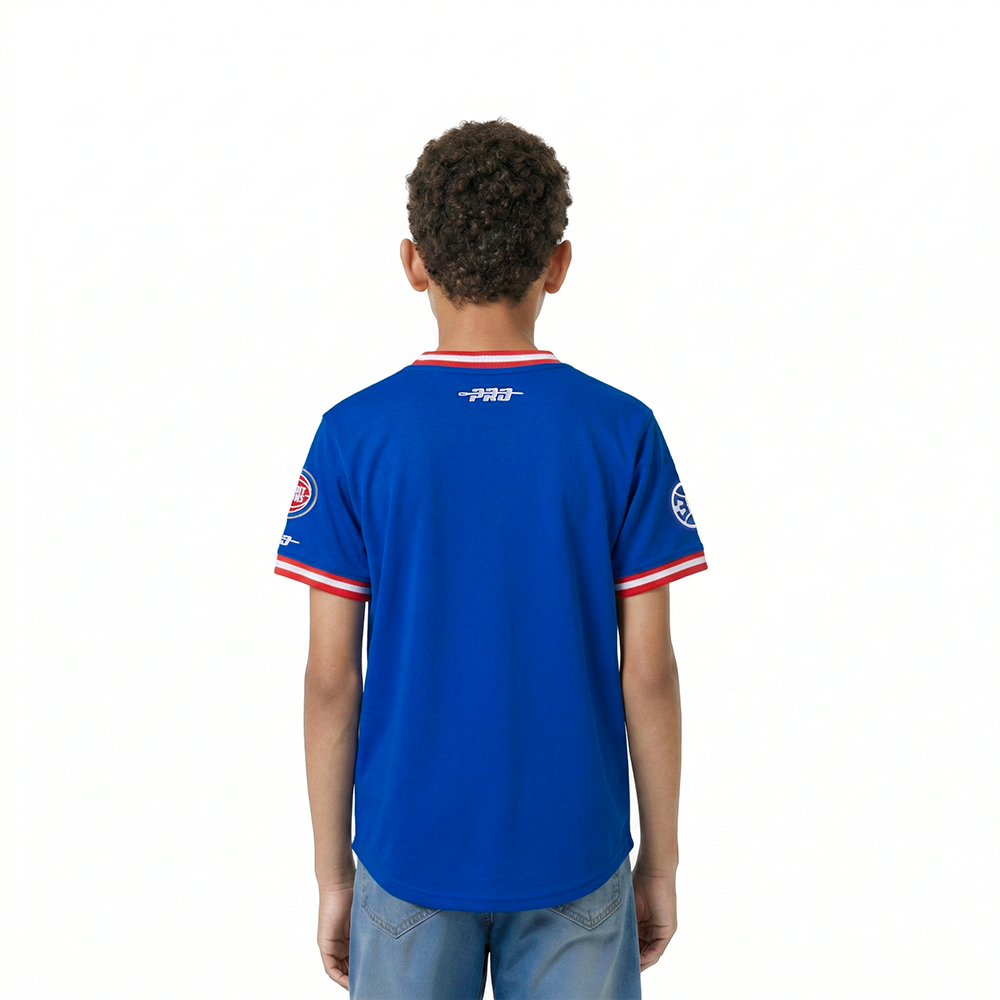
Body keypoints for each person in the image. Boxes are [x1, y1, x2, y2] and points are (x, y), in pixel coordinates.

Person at [274, 119, 708, 999]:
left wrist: (331, 876)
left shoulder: (353, 435)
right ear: (558, 264)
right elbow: (649, 672)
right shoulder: (621, 430)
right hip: (576, 850)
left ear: (413, 263)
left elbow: (330, 678)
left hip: (408, 855)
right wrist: (660, 863)